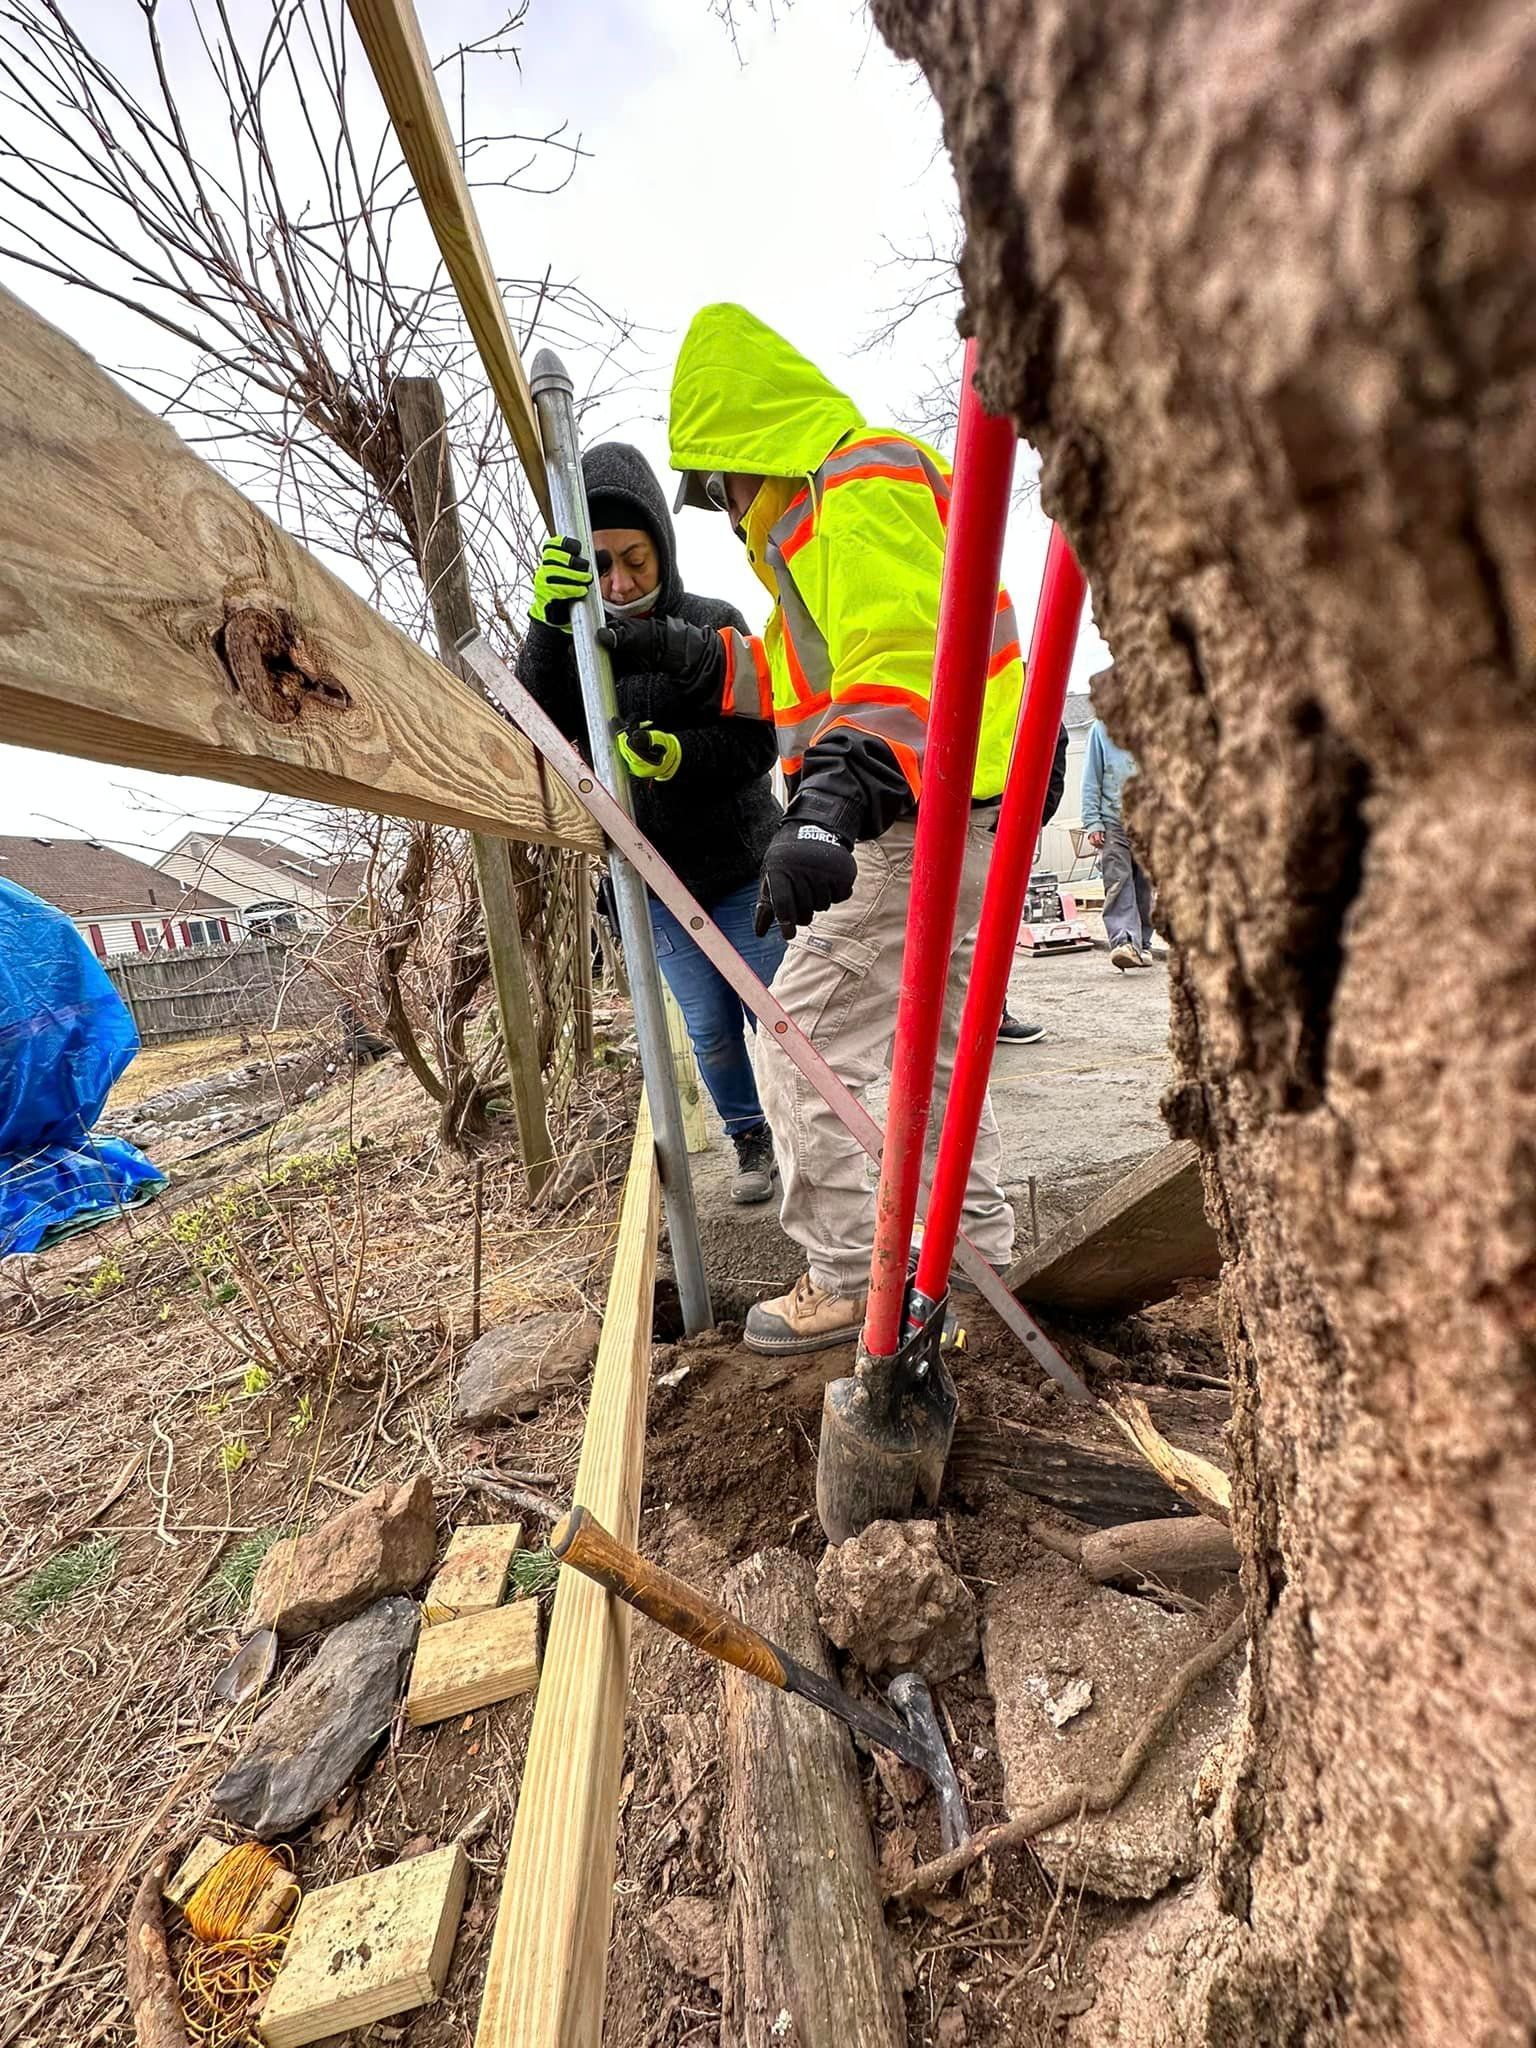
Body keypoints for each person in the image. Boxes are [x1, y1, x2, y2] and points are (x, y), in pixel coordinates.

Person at [603, 305, 1027, 1355]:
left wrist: (830, 810)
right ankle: (968, 1255)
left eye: (725, 480)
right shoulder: (824, 518)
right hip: (960, 800)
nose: (729, 504)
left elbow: (897, 660)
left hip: (911, 805)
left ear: (750, 443)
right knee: (923, 1052)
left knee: (793, 1040)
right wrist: (690, 653)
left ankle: (847, 1273)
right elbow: (813, 676)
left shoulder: (858, 480)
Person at [518, 441, 786, 1204]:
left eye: (635, 557)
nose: (619, 580)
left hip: (743, 868)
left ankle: (808, 1133)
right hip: (656, 884)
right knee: (708, 1030)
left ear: (663, 547)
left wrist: (680, 758)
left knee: (777, 1015)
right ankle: (750, 1140)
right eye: (599, 564)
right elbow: (538, 719)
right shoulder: (573, 641)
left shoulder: (713, 621)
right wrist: (545, 623)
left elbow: (759, 738)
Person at [997, 722, 1069, 1043]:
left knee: (988, 932)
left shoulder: (1019, 679)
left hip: (995, 822)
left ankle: (992, 1014)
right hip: (915, 814)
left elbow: (1054, 742)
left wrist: (1032, 819)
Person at [1081, 716, 1153, 969]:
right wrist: (1092, 821)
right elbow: (1091, 777)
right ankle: (1124, 941)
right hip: (1113, 821)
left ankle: (1142, 944)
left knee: (1144, 886)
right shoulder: (1100, 728)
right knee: (1118, 880)